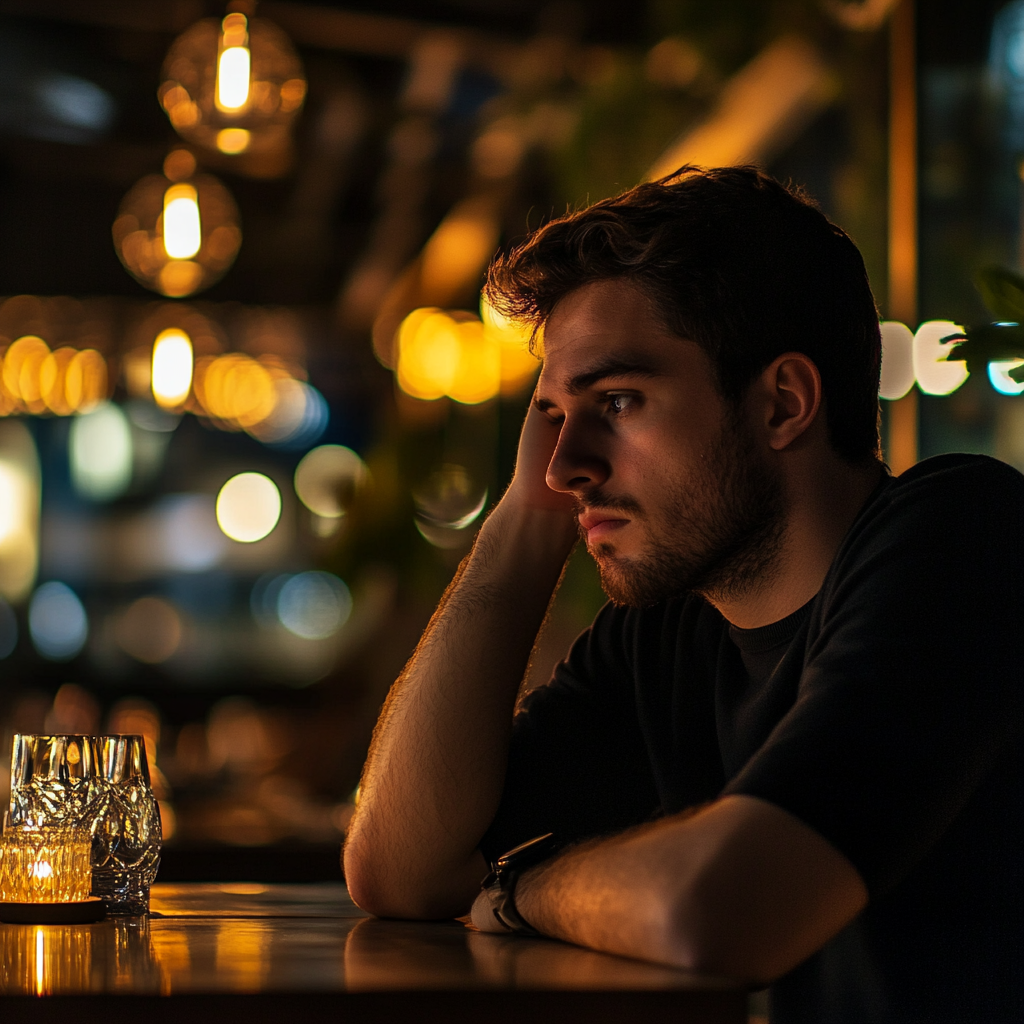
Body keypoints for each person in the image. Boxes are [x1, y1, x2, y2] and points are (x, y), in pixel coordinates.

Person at [343, 166, 1023, 1023]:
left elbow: (724, 908)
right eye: (554, 416)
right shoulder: (668, 632)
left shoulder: (964, 538)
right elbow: (400, 869)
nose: (565, 465)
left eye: (618, 401)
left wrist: (521, 891)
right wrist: (526, 518)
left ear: (783, 403)